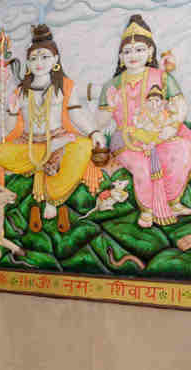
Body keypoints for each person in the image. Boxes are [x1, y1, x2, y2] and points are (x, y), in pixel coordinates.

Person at [0, 24, 105, 233]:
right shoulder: (20, 91)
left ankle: (53, 196)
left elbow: (76, 114)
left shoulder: (64, 86)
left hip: (60, 138)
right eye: (33, 58)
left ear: (55, 60)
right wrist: (11, 110)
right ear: (27, 63)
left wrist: (94, 132)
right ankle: (48, 150)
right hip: (29, 143)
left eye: (44, 57)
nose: (39, 63)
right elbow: (7, 129)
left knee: (83, 147)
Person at [96, 14, 191, 227]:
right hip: (127, 138)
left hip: (160, 133)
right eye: (127, 51)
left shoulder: (163, 77)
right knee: (142, 166)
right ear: (120, 57)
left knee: (182, 150)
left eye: (139, 49)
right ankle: (148, 209)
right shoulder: (112, 85)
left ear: (150, 52)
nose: (133, 55)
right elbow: (100, 122)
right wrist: (110, 106)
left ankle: (171, 201)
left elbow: (180, 106)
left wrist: (172, 127)